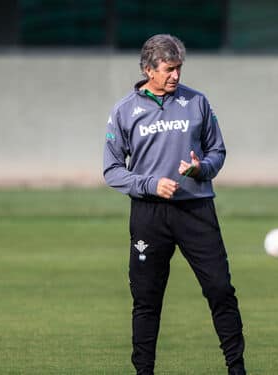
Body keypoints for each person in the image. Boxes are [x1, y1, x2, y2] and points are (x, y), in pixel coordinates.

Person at [103, 34, 246, 375]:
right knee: (147, 299)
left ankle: (237, 369)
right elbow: (111, 171)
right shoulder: (124, 111)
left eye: (179, 68)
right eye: (169, 69)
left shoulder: (197, 103)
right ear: (148, 69)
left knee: (220, 290)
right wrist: (150, 184)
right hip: (149, 215)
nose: (176, 76)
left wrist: (201, 169)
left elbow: (218, 152)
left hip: (196, 209)